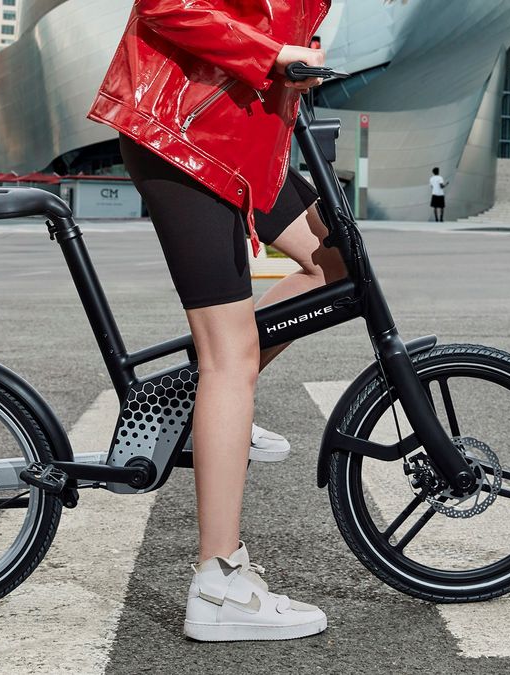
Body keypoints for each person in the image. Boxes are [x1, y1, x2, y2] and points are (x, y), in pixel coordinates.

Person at [88, 0, 340, 643]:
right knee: (228, 357)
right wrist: (275, 57)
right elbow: (164, 5)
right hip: (188, 139)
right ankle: (219, 584)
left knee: (335, 263)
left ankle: (209, 407)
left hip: (245, 138)